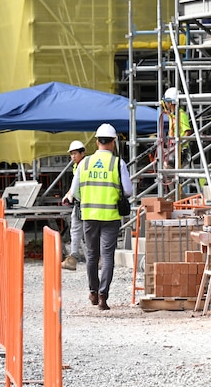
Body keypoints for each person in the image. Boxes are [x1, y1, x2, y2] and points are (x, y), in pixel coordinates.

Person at [64, 123, 133, 311]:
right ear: (113, 142)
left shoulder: (84, 163)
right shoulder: (118, 163)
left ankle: (93, 291)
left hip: (88, 215)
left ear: (96, 142)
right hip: (110, 216)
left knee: (92, 256)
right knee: (108, 256)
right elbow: (128, 191)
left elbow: (74, 191)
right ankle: (103, 296)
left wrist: (87, 200)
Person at [61, 140, 87, 271]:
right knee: (77, 231)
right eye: (71, 154)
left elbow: (77, 186)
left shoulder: (84, 165)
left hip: (85, 203)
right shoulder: (77, 166)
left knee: (86, 232)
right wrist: (69, 194)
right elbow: (74, 185)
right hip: (81, 203)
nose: (73, 156)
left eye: (75, 153)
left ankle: (74, 259)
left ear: (82, 153)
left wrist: (71, 195)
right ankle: (73, 258)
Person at [161, 86, 191, 167]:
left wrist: (181, 143)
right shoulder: (172, 115)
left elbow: (187, 131)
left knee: (167, 167)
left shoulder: (181, 114)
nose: (166, 104)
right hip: (173, 146)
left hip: (179, 148)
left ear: (170, 103)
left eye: (167, 102)